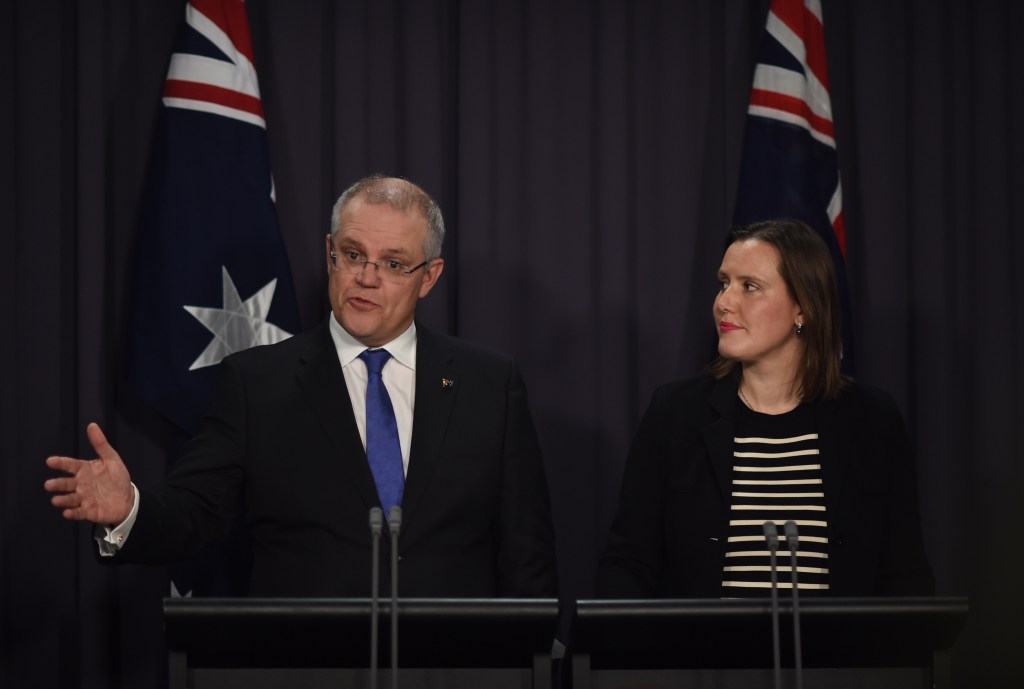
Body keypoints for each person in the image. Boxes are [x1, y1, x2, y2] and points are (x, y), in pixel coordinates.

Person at [45, 175, 558, 598]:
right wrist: (129, 509)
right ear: (330, 253)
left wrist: (535, 661)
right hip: (308, 664)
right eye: (353, 255)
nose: (367, 277)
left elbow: (525, 551)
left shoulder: (489, 383)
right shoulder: (255, 382)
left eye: (394, 263)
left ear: (430, 277)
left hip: (457, 670)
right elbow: (194, 511)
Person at [597, 218, 934, 598]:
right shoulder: (675, 413)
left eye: (750, 287)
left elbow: (905, 572)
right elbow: (627, 563)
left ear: (803, 308)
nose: (724, 302)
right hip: (707, 656)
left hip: (834, 657)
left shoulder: (872, 419)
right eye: (724, 284)